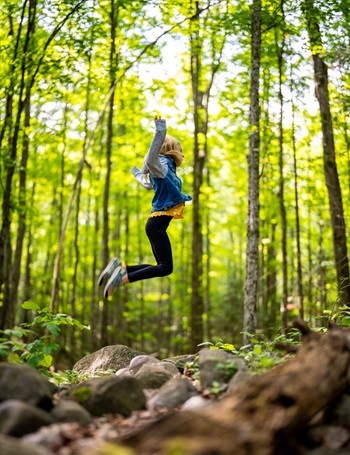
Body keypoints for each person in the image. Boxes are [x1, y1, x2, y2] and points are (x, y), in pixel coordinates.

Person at [98, 116, 192, 299]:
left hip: (155, 225)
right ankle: (122, 279)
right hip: (156, 226)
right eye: (180, 148)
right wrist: (160, 129)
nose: (182, 152)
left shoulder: (165, 170)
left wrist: (138, 174)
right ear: (170, 148)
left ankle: (121, 268)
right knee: (165, 267)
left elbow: (147, 183)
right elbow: (151, 160)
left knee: (162, 265)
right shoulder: (161, 166)